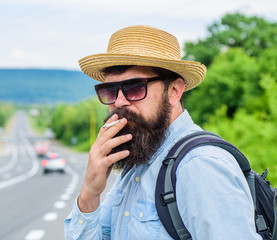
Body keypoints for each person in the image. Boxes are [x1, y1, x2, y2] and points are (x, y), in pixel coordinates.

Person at [64, 25, 261, 239]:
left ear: (174, 91)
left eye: (134, 87)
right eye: (110, 91)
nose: (119, 101)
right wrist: (90, 193)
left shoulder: (200, 166)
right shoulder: (137, 164)